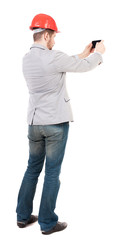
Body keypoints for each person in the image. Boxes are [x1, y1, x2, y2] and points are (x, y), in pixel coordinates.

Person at [16, 13, 105, 235]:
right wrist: (99, 55)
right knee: (52, 173)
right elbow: (81, 67)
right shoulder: (54, 56)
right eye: (53, 36)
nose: (54, 40)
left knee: (32, 169)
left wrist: (85, 53)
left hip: (34, 123)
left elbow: (65, 63)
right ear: (46, 35)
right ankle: (47, 223)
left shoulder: (27, 58)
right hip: (55, 124)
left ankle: (23, 216)